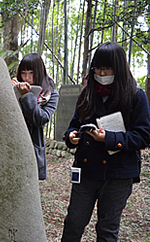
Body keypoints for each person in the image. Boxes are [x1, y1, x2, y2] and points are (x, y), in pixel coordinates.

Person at [61, 42, 150, 241]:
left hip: (118, 174)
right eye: (98, 68)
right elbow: (74, 124)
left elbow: (144, 135)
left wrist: (109, 138)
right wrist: (71, 136)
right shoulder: (87, 94)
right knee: (73, 223)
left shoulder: (135, 96)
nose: (101, 73)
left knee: (107, 229)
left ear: (118, 68)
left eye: (107, 68)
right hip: (86, 170)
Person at [11, 53, 59, 180]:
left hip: (32, 148)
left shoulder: (51, 95)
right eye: (23, 73)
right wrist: (8, 90)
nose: (27, 78)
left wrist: (27, 96)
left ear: (39, 72)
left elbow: (40, 119)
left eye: (31, 73)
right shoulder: (14, 87)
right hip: (11, 146)